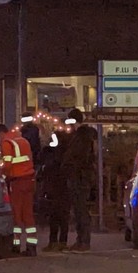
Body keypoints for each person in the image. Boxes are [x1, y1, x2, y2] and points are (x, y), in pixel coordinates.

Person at [0, 123, 38, 257]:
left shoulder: (7, 143)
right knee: (28, 213)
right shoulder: (22, 140)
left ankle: (16, 245)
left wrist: (1, 176)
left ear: (0, 133)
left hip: (17, 181)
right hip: (29, 179)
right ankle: (31, 246)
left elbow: (7, 165)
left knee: (16, 214)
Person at [60, 108, 98, 252]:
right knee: (78, 210)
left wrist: (70, 169)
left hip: (79, 178)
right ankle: (80, 240)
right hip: (79, 177)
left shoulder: (81, 137)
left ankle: (84, 241)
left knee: (80, 210)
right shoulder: (82, 136)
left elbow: (79, 158)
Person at [38, 129, 72, 252]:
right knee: (57, 216)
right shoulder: (52, 152)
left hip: (58, 188)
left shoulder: (60, 153)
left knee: (60, 216)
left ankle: (59, 242)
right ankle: (56, 242)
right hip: (56, 188)